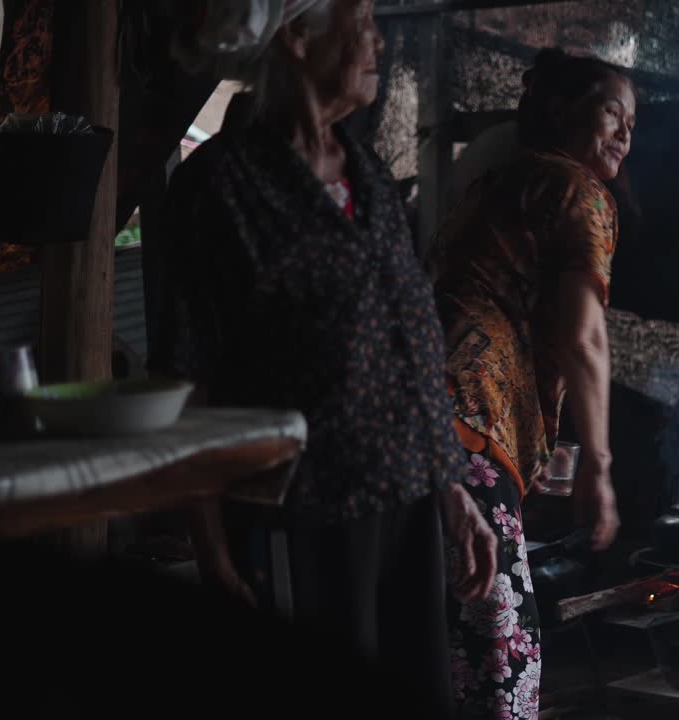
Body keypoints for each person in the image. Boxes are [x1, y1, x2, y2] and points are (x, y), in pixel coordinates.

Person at [155, 2, 497, 714]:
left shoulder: (363, 170)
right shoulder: (220, 185)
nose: (379, 38)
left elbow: (411, 341)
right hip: (302, 510)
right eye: (363, 18)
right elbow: (186, 374)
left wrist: (451, 490)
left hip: (405, 503)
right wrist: (210, 547)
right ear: (297, 34)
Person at [428, 47, 635, 719]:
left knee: (433, 641)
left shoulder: (499, 183)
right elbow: (585, 336)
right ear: (559, 112)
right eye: (612, 112)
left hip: (415, 427)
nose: (627, 135)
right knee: (500, 657)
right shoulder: (579, 191)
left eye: (634, 123)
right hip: (466, 424)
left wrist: (538, 443)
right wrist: (599, 469)